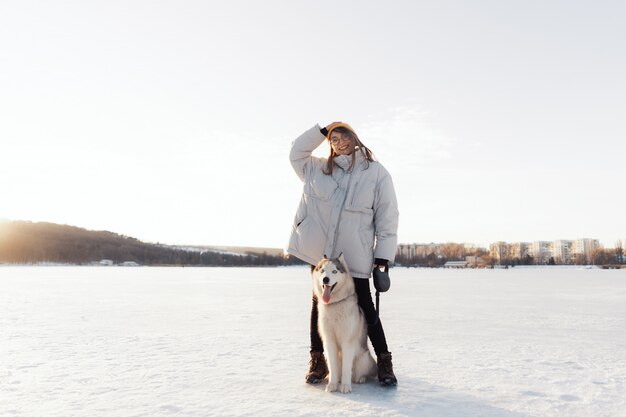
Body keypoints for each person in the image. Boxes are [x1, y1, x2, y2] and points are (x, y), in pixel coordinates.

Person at [287, 121, 399, 386]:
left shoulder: (376, 173)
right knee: (319, 305)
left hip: (355, 252)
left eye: (343, 136)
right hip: (322, 255)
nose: (339, 142)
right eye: (333, 139)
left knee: (365, 305)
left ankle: (384, 361)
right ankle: (318, 361)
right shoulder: (317, 168)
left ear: (354, 137)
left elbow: (387, 214)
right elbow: (295, 153)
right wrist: (320, 131)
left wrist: (383, 254)